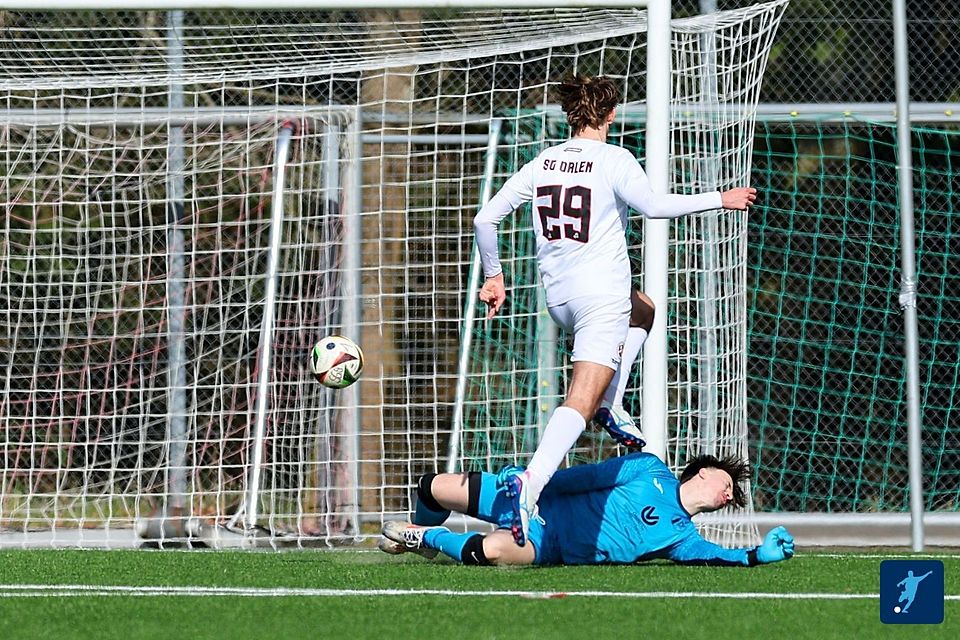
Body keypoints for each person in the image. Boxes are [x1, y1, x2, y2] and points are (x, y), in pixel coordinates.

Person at [472, 74, 757, 545]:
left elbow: (486, 219)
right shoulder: (613, 158)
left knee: (643, 309)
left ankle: (611, 403)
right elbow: (653, 206)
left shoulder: (543, 161)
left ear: (570, 115)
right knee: (579, 404)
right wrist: (719, 199)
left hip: (560, 298)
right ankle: (530, 484)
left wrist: (495, 276)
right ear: (610, 116)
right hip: (600, 299)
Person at [378, 452, 795, 567]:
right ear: (703, 473)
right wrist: (532, 488)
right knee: (431, 488)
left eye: (730, 498)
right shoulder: (649, 468)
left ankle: (425, 538)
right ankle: (419, 528)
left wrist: (756, 555)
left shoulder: (681, 537)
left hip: (550, 540)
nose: (728, 495)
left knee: (490, 552)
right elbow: (589, 476)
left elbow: (712, 555)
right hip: (537, 497)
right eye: (727, 485)